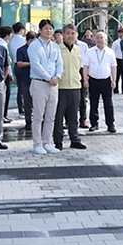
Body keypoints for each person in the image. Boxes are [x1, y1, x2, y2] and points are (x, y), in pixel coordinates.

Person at [27, 19, 62, 155]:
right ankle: (37, 144)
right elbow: (36, 65)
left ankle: (47, 142)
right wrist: (49, 78)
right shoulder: (34, 46)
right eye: (46, 28)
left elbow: (60, 63)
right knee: (38, 116)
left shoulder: (55, 46)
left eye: (51, 29)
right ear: (40, 30)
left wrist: (57, 77)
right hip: (39, 83)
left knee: (50, 116)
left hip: (54, 85)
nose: (49, 31)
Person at [54, 24, 86, 150]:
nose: (70, 36)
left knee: (73, 115)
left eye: (73, 33)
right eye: (68, 33)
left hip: (75, 86)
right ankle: (58, 140)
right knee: (59, 115)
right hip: (61, 87)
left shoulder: (79, 50)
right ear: (63, 34)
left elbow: (80, 67)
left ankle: (75, 139)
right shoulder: (57, 49)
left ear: (76, 35)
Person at [82, 32, 116, 133]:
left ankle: (110, 124)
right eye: (97, 38)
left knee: (108, 104)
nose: (99, 39)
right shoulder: (90, 51)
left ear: (105, 40)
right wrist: (85, 79)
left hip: (106, 80)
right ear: (94, 39)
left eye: (102, 38)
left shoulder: (110, 52)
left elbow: (113, 66)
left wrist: (114, 80)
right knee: (93, 103)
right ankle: (94, 123)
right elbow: (86, 66)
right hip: (93, 80)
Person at [14, 32, 35, 131]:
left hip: (37, 79)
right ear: (27, 40)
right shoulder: (21, 50)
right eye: (31, 41)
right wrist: (31, 64)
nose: (32, 43)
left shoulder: (38, 50)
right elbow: (19, 63)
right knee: (27, 101)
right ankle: (28, 121)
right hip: (26, 78)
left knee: (38, 102)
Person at [8, 22, 27, 116]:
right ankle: (23, 108)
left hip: (16, 65)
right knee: (24, 88)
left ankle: (20, 108)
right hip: (23, 65)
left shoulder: (11, 41)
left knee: (20, 88)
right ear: (21, 30)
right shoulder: (23, 41)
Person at [0, 25, 14, 123]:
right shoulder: (3, 45)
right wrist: (10, 74)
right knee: (6, 94)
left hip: (2, 72)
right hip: (4, 73)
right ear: (7, 35)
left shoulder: (2, 43)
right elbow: (7, 62)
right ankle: (3, 115)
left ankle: (3, 115)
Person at [112, 28, 123, 93]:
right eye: (120, 33)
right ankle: (116, 89)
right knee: (117, 75)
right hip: (117, 60)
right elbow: (113, 51)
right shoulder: (116, 42)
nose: (121, 34)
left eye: (122, 33)